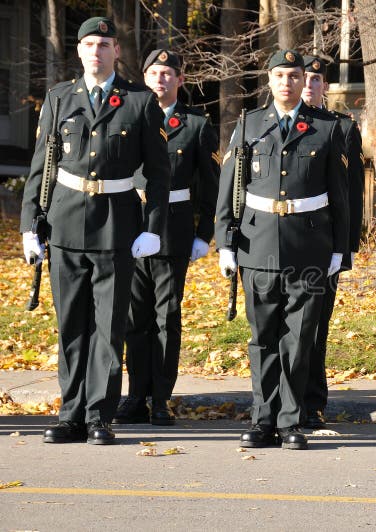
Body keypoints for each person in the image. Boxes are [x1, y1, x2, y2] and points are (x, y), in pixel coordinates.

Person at [19, 17, 169, 445]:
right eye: (89, 44)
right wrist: (31, 225)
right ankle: (70, 414)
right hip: (65, 222)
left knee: (108, 327)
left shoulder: (140, 101)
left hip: (117, 225)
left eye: (105, 44)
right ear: (80, 50)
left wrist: (153, 227)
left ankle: (99, 416)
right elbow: (41, 167)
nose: (97, 52)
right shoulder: (59, 98)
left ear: (116, 52)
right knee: (71, 324)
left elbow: (158, 174)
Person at [215, 49, 349, 450]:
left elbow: (341, 198)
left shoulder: (326, 129)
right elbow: (231, 186)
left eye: (294, 75)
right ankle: (263, 420)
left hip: (310, 246)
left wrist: (340, 250)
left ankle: (291, 421)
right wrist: (226, 242)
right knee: (263, 338)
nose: (287, 83)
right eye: (279, 76)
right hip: (257, 245)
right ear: (269, 81)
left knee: (298, 337)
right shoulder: (249, 124)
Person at [113, 49, 220, 426]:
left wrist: (204, 234)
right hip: (130, 225)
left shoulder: (195, 125)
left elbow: (211, 186)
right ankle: (136, 396)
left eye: (168, 72)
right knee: (132, 318)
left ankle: (160, 398)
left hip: (172, 231)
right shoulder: (127, 114)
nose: (161, 78)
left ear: (180, 80)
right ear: (144, 77)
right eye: (154, 72)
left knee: (166, 317)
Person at [300, 55, 364, 430]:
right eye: (304, 79)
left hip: (323, 243)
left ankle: (312, 403)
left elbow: (352, 191)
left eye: (316, 80)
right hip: (283, 240)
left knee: (316, 326)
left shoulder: (340, 127)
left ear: (325, 86)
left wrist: (346, 247)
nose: (309, 85)